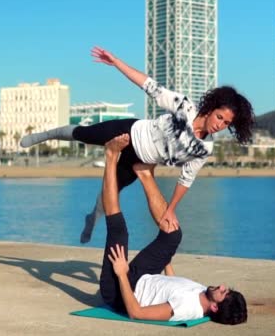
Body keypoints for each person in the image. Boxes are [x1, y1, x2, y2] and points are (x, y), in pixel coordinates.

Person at [20, 46, 255, 244]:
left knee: (110, 192)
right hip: (130, 132)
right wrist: (115, 62)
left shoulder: (205, 148)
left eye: (227, 123)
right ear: (211, 109)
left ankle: (92, 218)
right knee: (83, 133)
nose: (220, 125)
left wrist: (171, 208)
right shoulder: (184, 107)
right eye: (219, 117)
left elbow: (186, 179)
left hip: (140, 161)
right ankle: (45, 135)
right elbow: (149, 86)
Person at [98, 134, 247, 324]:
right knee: (173, 234)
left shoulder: (187, 308)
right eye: (227, 288)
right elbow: (173, 285)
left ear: (215, 307)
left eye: (223, 292)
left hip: (119, 292)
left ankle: (111, 155)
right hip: (143, 276)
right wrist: (165, 256)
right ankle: (144, 173)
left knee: (119, 230)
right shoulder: (203, 293)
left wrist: (121, 273)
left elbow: (137, 313)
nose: (222, 286)